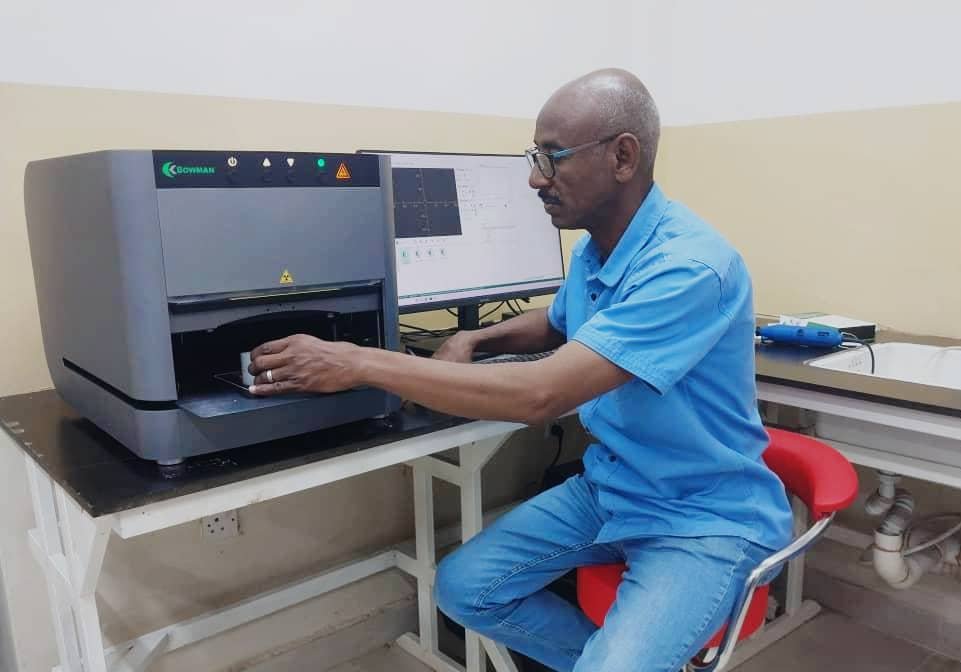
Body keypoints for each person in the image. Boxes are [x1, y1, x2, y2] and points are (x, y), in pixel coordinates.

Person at [247, 68, 793, 672]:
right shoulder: (597, 249)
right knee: (463, 589)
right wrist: (473, 337)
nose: (536, 178)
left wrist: (359, 361)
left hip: (703, 515)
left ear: (622, 157)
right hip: (616, 487)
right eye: (536, 158)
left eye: (552, 158)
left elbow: (540, 394)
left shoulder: (688, 267)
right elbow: (558, 322)